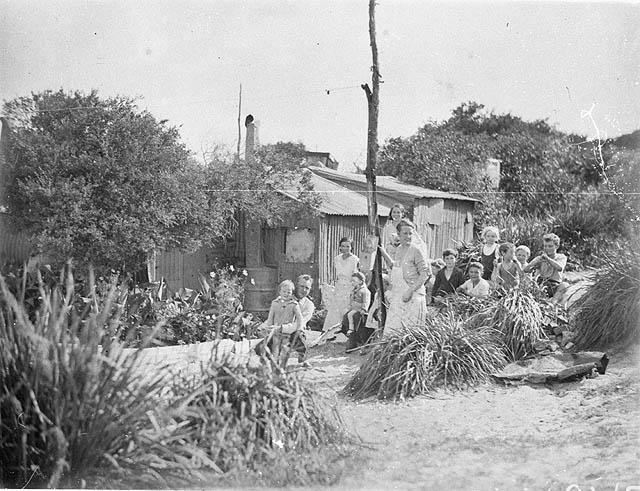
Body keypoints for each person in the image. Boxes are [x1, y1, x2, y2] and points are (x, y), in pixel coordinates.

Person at [379, 218, 430, 337]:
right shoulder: (399, 249)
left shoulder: (416, 250)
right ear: (398, 234)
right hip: (398, 294)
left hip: (412, 295)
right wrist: (383, 253)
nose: (408, 236)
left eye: (410, 233)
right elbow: (395, 267)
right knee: (393, 328)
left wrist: (410, 291)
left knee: (409, 331)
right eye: (405, 233)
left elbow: (425, 274)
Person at [256, 279, 304, 362]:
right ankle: (270, 360)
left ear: (292, 293)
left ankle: (301, 357)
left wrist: (299, 329)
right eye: (284, 291)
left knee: (290, 346)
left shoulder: (294, 304)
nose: (286, 294)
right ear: (280, 292)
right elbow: (271, 317)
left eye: (289, 292)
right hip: (275, 330)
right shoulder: (275, 303)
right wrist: (269, 327)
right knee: (272, 346)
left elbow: (300, 319)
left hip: (287, 330)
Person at [322, 237, 360, 331]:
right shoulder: (337, 259)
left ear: (351, 247)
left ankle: (343, 329)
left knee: (345, 308)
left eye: (347, 246)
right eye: (343, 246)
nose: (345, 249)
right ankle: (330, 329)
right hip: (339, 286)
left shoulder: (354, 259)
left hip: (349, 286)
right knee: (335, 308)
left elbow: (357, 275)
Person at [524, 233, 567, 297]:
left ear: (557, 247)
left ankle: (553, 303)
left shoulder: (561, 257)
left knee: (564, 285)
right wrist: (534, 262)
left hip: (554, 284)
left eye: (550, 246)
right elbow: (526, 270)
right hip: (541, 284)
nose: (547, 248)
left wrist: (548, 259)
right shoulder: (540, 258)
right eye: (545, 246)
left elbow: (560, 268)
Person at [340, 272, 371, 351]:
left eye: (354, 281)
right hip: (353, 309)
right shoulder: (355, 290)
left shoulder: (365, 291)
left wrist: (364, 309)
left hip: (360, 310)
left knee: (356, 320)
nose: (352, 283)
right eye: (352, 281)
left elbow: (366, 301)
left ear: (361, 281)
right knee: (346, 316)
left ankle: (358, 340)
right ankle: (350, 337)